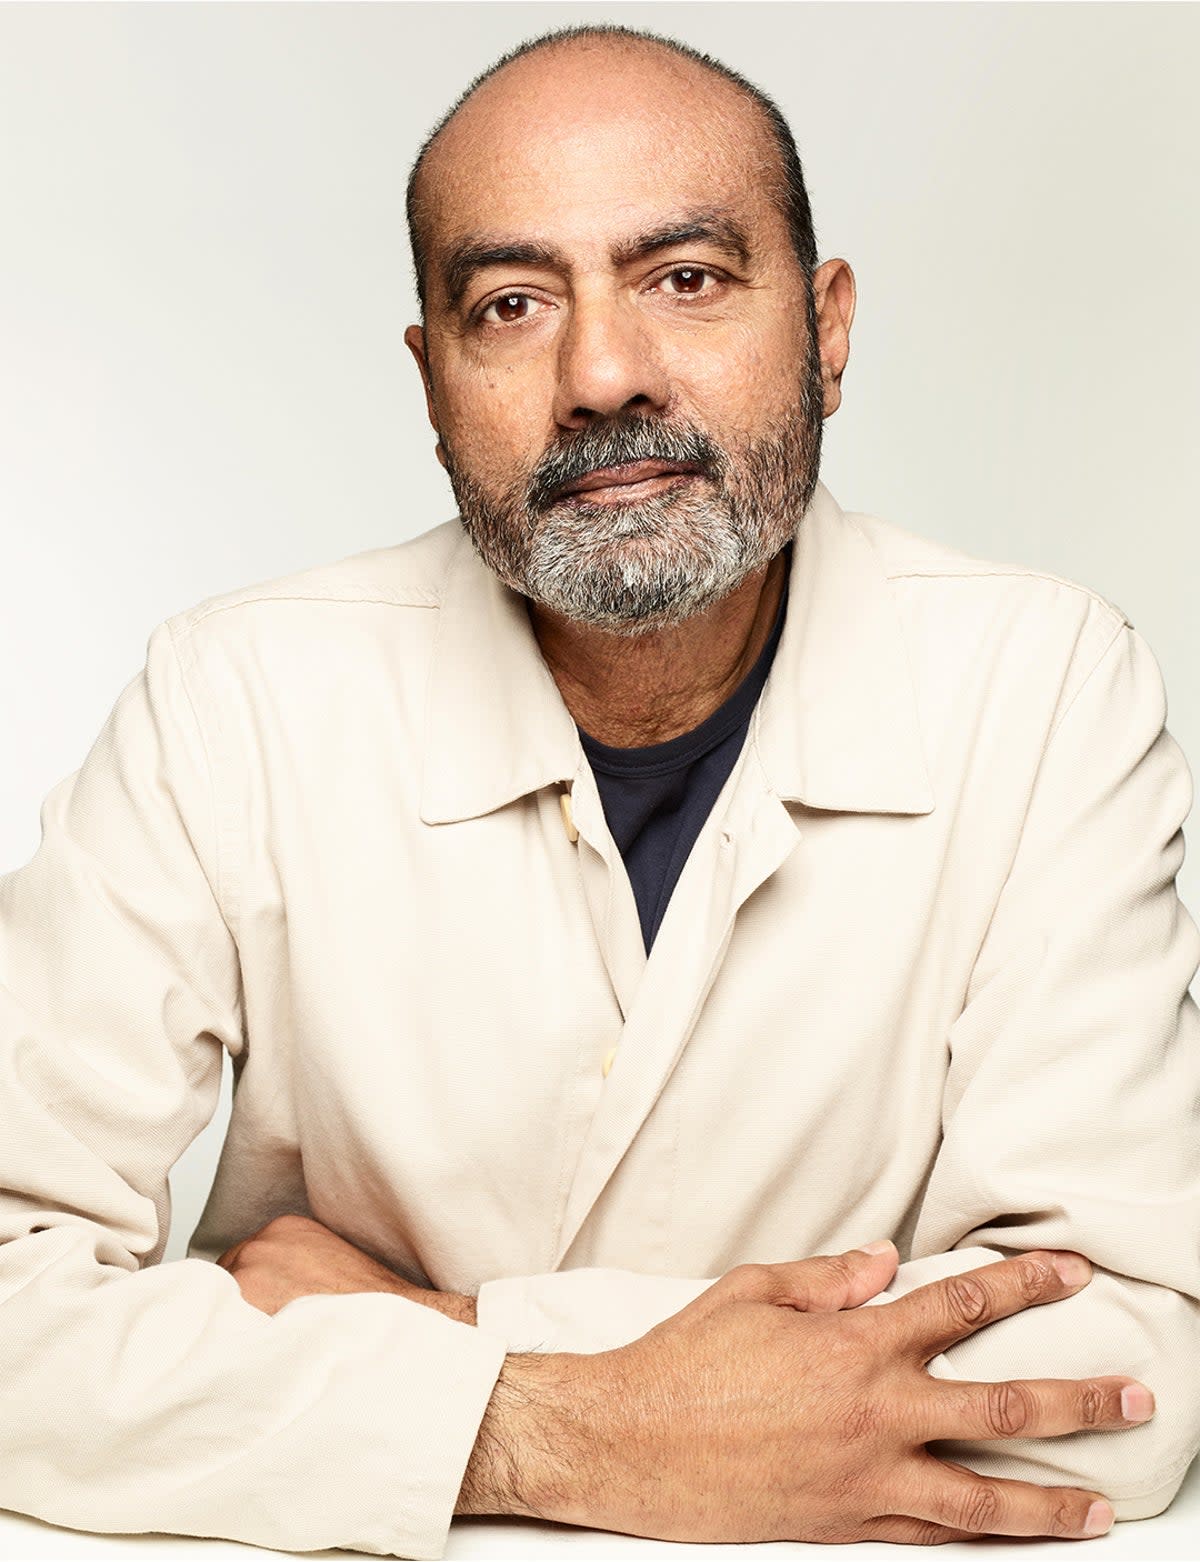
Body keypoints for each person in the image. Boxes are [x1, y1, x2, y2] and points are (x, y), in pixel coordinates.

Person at [1, 19, 1197, 1558]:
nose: (602, 374)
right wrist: (555, 1420)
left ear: (827, 330)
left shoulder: (1046, 684)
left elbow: (1118, 1375)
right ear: (434, 382)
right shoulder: (230, 702)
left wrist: (456, 1331)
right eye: (511, 305)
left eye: (686, 278)